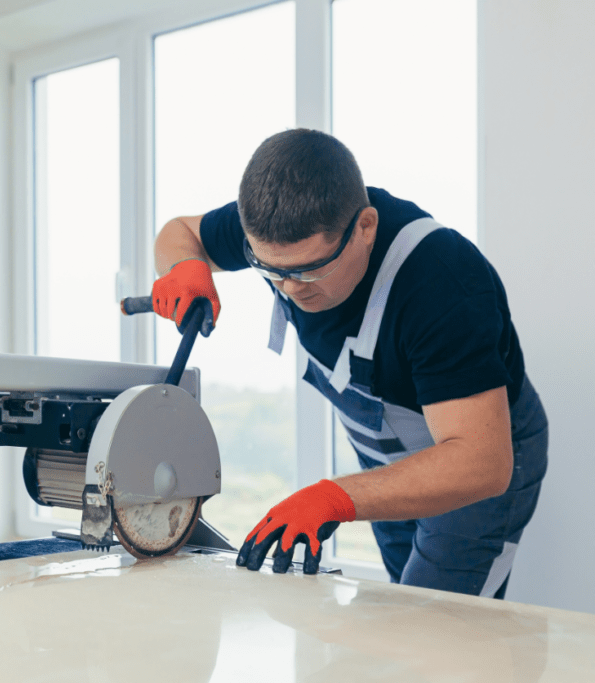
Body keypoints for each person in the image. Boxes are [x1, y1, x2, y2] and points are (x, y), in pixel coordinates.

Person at [151, 129, 547, 599]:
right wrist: (184, 268)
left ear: (366, 228)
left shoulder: (443, 282)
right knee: (405, 600)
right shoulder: (276, 235)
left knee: (438, 628)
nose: (290, 288)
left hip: (478, 450)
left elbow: (482, 462)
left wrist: (335, 496)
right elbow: (181, 232)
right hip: (386, 454)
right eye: (271, 271)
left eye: (309, 270)